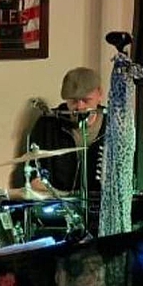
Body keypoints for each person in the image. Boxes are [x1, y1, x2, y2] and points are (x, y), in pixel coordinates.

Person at [24, 67, 106, 237]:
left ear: (100, 94)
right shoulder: (48, 124)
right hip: (59, 218)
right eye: (74, 101)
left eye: (86, 100)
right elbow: (33, 179)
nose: (80, 107)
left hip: (104, 217)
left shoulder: (114, 125)